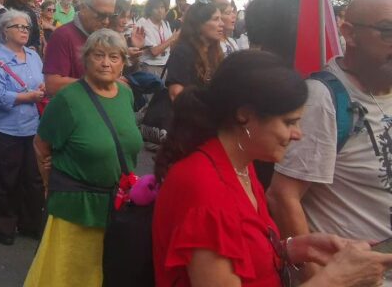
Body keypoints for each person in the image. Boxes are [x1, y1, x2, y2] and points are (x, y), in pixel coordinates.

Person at [153, 50, 392, 287]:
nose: (298, 134)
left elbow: (242, 250)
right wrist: (337, 279)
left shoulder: (239, 166)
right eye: (289, 122)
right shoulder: (206, 188)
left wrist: (293, 248)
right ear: (245, 116)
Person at [268, 0, 392, 283]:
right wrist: (320, 280)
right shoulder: (322, 99)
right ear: (349, 33)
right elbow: (283, 195)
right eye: (387, 32)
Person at [25, 29, 143, 286]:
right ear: (85, 59)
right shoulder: (67, 99)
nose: (106, 63)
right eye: (99, 55)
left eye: (114, 57)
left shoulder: (126, 95)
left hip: (117, 206)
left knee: (106, 273)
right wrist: (49, 183)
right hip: (76, 208)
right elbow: (41, 145)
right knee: (69, 275)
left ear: (123, 62)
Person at [0, 9, 45, 245]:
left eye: (26, 27)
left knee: (32, 179)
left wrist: (41, 89)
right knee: (5, 180)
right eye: (18, 27)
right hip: (5, 129)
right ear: (4, 31)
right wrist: (27, 97)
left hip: (32, 128)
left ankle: (30, 223)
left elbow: (42, 81)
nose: (24, 31)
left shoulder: (33, 55)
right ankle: (4, 226)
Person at [43, 0, 117, 96]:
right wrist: (99, 83)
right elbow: (52, 85)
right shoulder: (63, 36)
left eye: (111, 16)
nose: (106, 21)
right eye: (101, 15)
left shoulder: (106, 36)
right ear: (83, 8)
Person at [164, 1, 224, 101]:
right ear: (199, 24)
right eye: (216, 19)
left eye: (221, 18)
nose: (221, 24)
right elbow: (176, 94)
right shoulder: (182, 51)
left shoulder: (215, 51)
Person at [136, 0, 177, 77]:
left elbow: (171, 46)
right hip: (150, 67)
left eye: (162, 7)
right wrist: (172, 38)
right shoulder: (144, 25)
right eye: (156, 8)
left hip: (165, 66)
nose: (160, 11)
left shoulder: (166, 24)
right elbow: (154, 52)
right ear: (150, 10)